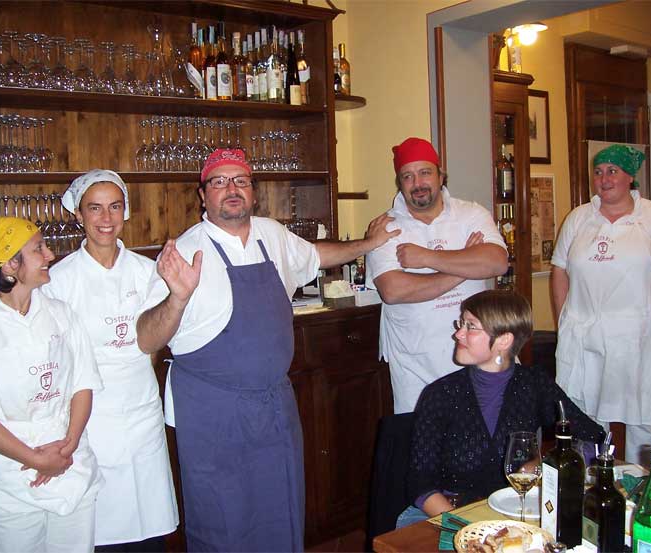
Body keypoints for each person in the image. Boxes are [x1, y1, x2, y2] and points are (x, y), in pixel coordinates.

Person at [136, 148, 399, 552]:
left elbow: (315, 256)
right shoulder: (185, 251)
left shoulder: (270, 234)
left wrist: (368, 243)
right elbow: (147, 339)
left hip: (275, 407)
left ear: (254, 193)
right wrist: (177, 298)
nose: (231, 189)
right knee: (223, 520)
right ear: (202, 195)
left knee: (281, 510)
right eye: (219, 182)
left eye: (241, 181)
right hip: (213, 415)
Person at [0, 217, 103, 552]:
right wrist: (35, 459)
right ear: (10, 266)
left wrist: (69, 444)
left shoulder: (62, 314)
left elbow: (83, 383)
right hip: (8, 480)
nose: (49, 255)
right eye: (38, 249)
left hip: (69, 465)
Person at [42, 170, 179, 552]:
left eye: (114, 207)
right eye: (95, 208)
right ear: (79, 215)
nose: (106, 218)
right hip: (89, 412)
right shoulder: (59, 278)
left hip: (140, 407)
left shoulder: (145, 270)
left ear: (126, 212)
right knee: (101, 525)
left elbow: (155, 338)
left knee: (149, 521)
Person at [396, 290, 605, 526]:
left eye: (470, 326)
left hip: (513, 511)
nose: (458, 334)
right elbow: (420, 485)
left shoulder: (533, 384)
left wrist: (544, 464)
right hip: (446, 514)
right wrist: (470, 529)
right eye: (461, 324)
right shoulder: (440, 394)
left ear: (504, 340)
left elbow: (594, 437)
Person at [551, 144, 651, 464]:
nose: (604, 179)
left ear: (630, 177)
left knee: (642, 420)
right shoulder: (579, 218)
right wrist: (563, 322)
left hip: (639, 336)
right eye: (598, 171)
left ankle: (644, 488)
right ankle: (588, 484)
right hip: (584, 335)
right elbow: (559, 271)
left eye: (613, 171)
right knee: (584, 416)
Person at [366, 137, 508, 413]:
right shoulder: (385, 227)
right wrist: (462, 268)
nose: (417, 183)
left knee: (482, 442)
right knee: (426, 448)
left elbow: (496, 262)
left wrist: (426, 258)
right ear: (399, 183)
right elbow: (393, 291)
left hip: (478, 357)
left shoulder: (471, 214)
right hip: (415, 366)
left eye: (425, 172)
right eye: (407, 176)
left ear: (441, 175)